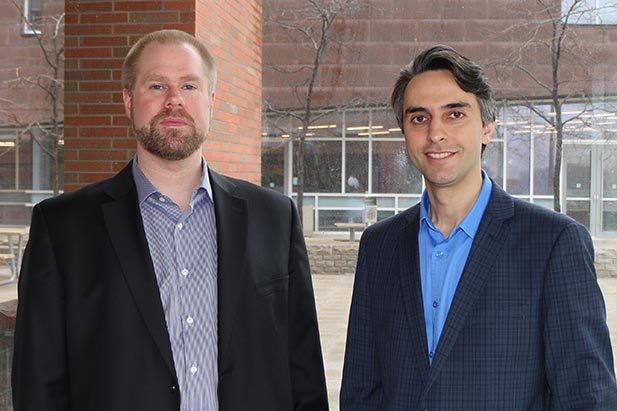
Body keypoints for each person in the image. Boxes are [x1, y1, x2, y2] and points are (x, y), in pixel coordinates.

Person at [12, 29, 328, 411]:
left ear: (211, 101)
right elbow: (39, 381)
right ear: (129, 101)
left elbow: (304, 368)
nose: (174, 100)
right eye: (157, 85)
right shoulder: (62, 227)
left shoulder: (275, 218)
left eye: (190, 86)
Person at [340, 45, 617, 409]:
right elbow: (361, 389)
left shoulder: (553, 242)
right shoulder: (379, 245)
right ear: (405, 132)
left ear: (486, 127)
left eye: (455, 114)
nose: (436, 133)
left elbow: (587, 395)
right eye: (419, 118)